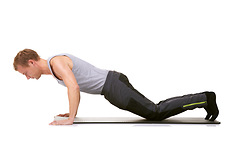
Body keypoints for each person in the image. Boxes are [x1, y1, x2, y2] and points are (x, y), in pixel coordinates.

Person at [13, 49, 219, 125]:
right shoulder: (54, 67)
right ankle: (204, 98)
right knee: (153, 111)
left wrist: (70, 119)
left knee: (154, 112)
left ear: (31, 63)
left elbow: (73, 88)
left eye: (25, 73)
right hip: (112, 87)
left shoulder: (56, 62)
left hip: (113, 86)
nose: (28, 78)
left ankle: (205, 98)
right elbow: (74, 86)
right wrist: (71, 112)